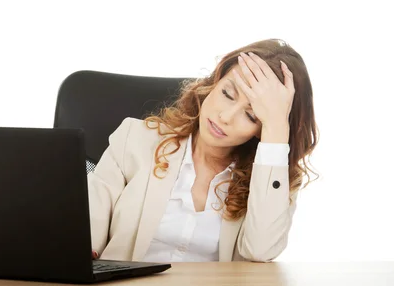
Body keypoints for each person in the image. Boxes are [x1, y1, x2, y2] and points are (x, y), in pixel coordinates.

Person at [88, 38, 318, 263]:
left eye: (251, 116)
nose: (225, 117)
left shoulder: (274, 177)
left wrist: (277, 128)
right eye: (227, 93)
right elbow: (87, 223)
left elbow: (260, 251)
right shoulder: (136, 139)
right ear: (213, 83)